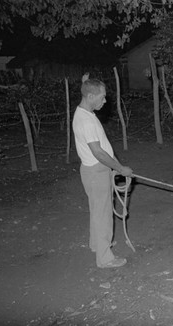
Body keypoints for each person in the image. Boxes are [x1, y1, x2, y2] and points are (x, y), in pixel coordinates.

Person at [72, 76, 133, 268]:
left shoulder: (84, 113)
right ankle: (105, 258)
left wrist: (113, 167)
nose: (105, 101)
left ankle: (97, 244)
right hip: (96, 172)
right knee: (103, 214)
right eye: (102, 97)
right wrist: (120, 168)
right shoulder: (86, 121)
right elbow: (98, 152)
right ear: (90, 96)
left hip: (95, 171)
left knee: (97, 210)